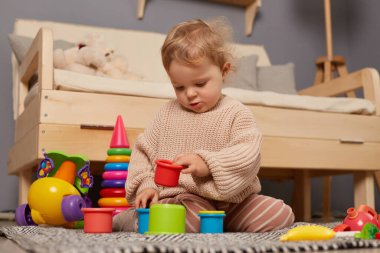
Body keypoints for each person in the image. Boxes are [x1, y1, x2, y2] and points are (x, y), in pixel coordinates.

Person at [113, 18, 294, 233]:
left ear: (224, 71)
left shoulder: (236, 113)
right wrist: (147, 186)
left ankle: (213, 223)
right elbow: (142, 154)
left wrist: (208, 163)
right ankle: (134, 219)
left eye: (200, 84)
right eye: (179, 87)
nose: (189, 94)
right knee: (185, 217)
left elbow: (248, 153)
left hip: (233, 203)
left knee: (280, 213)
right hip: (183, 199)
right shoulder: (166, 115)